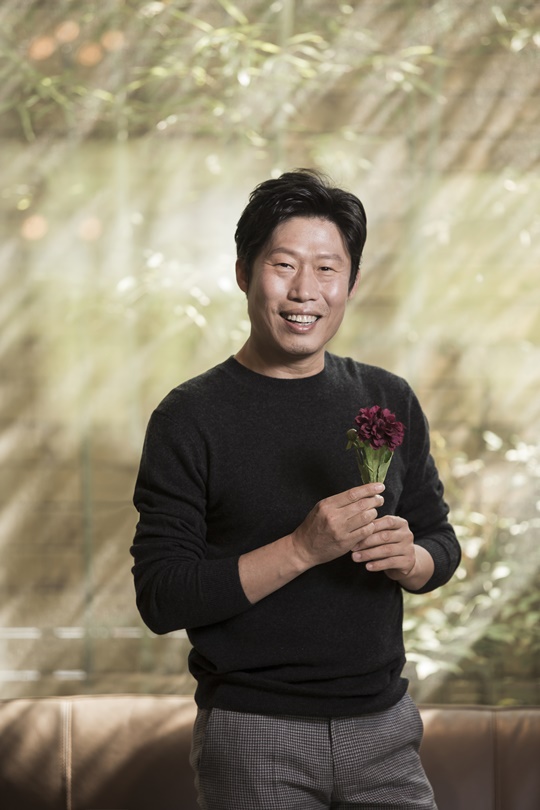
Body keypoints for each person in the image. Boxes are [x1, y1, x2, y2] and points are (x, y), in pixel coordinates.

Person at [131, 168, 461, 810]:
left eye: (327, 269)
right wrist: (303, 548)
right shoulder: (189, 417)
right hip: (254, 731)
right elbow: (162, 596)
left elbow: (439, 541)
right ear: (243, 273)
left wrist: (413, 561)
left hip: (385, 726)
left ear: (351, 284)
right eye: (283, 265)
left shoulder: (387, 397)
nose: (304, 290)